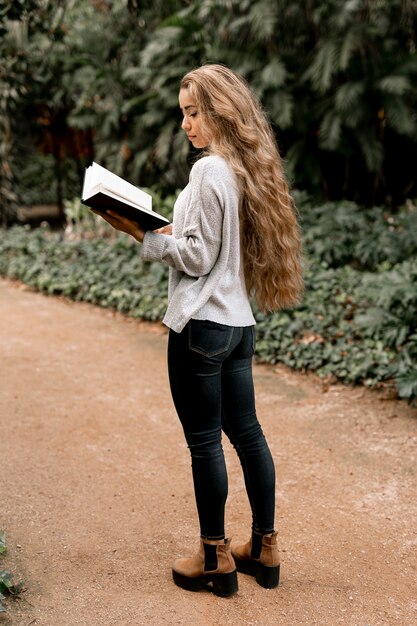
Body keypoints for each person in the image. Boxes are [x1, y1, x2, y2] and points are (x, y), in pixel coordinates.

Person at [94, 64, 303, 597]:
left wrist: (139, 229)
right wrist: (168, 230)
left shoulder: (209, 171)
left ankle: (215, 556)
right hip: (238, 324)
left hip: (202, 328)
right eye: (182, 113)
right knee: (248, 434)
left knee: (206, 443)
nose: (185, 123)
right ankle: (263, 547)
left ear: (220, 110)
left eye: (194, 111)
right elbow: (213, 247)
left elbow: (196, 255)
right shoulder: (240, 168)